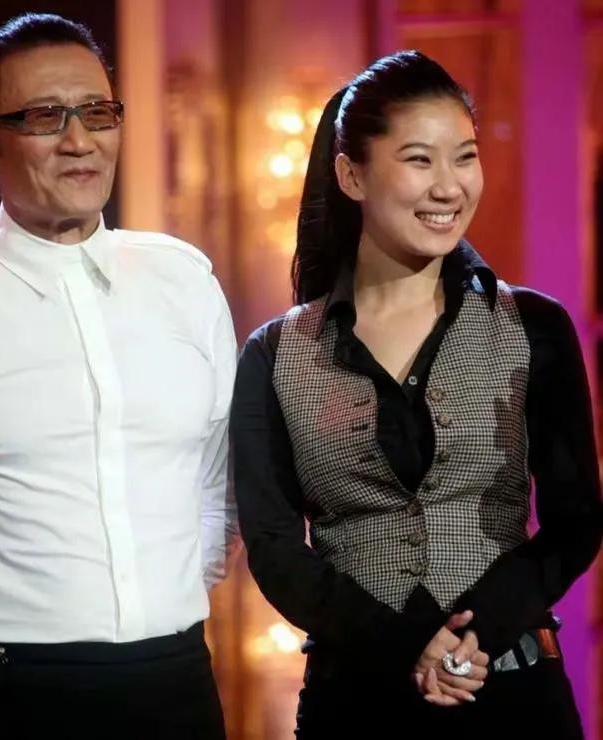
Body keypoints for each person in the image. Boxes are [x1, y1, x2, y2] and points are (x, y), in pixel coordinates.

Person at [231, 50, 602, 738]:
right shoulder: (277, 353)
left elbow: (575, 522)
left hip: (515, 696)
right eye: (419, 160)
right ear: (352, 175)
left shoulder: (535, 327)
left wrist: (476, 634)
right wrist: (403, 644)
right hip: (355, 705)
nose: (449, 187)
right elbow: (276, 549)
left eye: (464, 158)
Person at [0, 13, 238, 740]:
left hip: (175, 681)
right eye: (44, 117)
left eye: (97, 112)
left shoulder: (183, 280)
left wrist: (170, 605)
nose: (79, 140)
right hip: (2, 690)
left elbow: (216, 481)